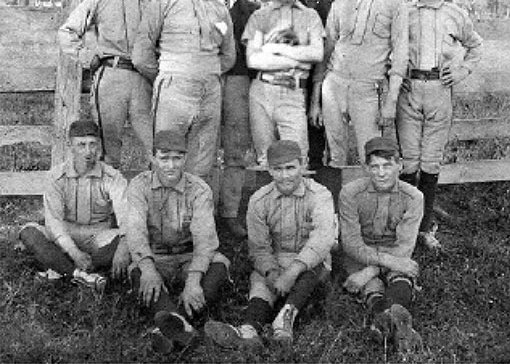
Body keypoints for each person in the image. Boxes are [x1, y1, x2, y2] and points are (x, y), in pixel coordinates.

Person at [204, 140, 335, 349]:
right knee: (260, 285)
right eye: (278, 169)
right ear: (269, 171)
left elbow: (322, 240)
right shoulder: (259, 199)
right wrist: (272, 273)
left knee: (316, 267)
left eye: (291, 168)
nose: (285, 176)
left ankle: (284, 323)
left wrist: (291, 273)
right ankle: (248, 330)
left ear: (302, 166)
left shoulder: (320, 195)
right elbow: (258, 247)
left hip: (308, 262)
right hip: (275, 260)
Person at [132, 0, 235, 186]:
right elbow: (141, 55)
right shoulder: (163, 3)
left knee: (203, 161)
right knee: (166, 155)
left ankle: (195, 220)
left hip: (210, 91)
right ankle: (162, 221)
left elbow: (229, 55)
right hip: (173, 91)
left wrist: (206, 71)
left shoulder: (218, 8)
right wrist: (170, 75)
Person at [397, 0, 483, 250]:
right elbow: (388, 49)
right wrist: (395, 74)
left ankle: (424, 229)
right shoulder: (404, 13)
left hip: (439, 90)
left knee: (431, 161)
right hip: (409, 91)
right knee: (409, 161)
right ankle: (405, 227)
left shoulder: (456, 14)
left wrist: (460, 71)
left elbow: (475, 46)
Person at [126, 130, 230, 354]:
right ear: (153, 158)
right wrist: (148, 268)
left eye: (177, 158)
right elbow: (135, 232)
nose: (171, 165)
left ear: (185, 158)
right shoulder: (139, 186)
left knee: (219, 263)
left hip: (187, 256)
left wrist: (193, 280)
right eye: (164, 158)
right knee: (136, 270)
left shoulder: (199, 189)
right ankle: (184, 327)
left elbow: (205, 241)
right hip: (156, 256)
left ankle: (171, 324)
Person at [59, 0, 156, 169]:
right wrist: (85, 57)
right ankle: (108, 204)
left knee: (157, 147)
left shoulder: (154, 1)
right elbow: (67, 32)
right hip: (111, 78)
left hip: (146, 80)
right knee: (108, 151)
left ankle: (154, 202)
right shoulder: (99, 0)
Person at [322, 0, 407, 185]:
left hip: (368, 90)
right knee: (334, 154)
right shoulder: (339, 4)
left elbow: (400, 55)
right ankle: (337, 215)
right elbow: (328, 48)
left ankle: (369, 217)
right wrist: (322, 89)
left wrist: (390, 102)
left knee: (371, 154)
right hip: (334, 86)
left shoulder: (392, 3)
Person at [19, 120, 130, 292]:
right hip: (65, 233)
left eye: (92, 144)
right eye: (81, 145)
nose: (88, 152)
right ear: (70, 146)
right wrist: (74, 252)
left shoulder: (112, 177)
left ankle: (58, 269)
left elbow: (126, 217)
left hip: (99, 235)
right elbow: (54, 222)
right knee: (29, 232)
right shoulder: (56, 177)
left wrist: (123, 247)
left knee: (125, 242)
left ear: (99, 145)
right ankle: (81, 276)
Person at [339, 137, 423, 354]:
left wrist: (371, 270)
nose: (381, 173)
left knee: (401, 274)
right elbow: (351, 244)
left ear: (400, 165)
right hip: (361, 255)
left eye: (387, 165)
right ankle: (392, 320)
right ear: (365, 168)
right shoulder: (350, 193)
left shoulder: (413, 197)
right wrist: (371, 269)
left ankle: (384, 322)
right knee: (371, 286)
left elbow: (404, 246)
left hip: (396, 254)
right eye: (374, 167)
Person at [242, 0, 325, 167]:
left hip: (293, 92)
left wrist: (278, 49)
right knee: (265, 158)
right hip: (263, 89)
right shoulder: (260, 16)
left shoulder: (310, 16)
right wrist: (296, 60)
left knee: (296, 158)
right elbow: (254, 59)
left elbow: (317, 53)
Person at [214, 0, 260, 239]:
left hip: (238, 84)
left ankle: (230, 213)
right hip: (206, 81)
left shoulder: (253, 11)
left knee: (235, 151)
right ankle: (202, 213)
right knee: (202, 151)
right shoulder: (201, 6)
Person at [293, 0, 334, 171]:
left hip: (326, 86)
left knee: (320, 150)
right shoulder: (289, 5)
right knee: (292, 149)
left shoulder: (334, 7)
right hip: (295, 86)